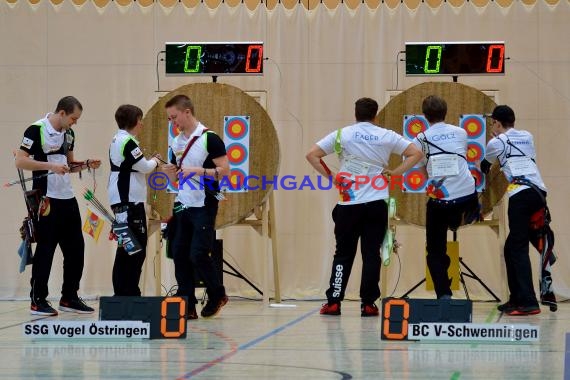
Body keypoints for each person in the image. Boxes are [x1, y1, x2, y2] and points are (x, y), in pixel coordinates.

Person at [306, 97, 423, 316]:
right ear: (375, 115)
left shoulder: (343, 134)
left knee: (342, 254)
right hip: (377, 203)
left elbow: (311, 154)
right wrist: (396, 173)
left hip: (349, 205)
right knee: (371, 254)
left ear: (355, 114)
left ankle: (333, 302)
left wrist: (332, 176)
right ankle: (368, 303)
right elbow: (416, 153)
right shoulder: (386, 135)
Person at [15, 96, 102, 316]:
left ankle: (69, 297)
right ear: (61, 113)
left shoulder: (69, 134)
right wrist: (50, 166)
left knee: (76, 250)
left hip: (67, 198)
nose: (75, 123)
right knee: (45, 250)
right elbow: (21, 161)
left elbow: (69, 165)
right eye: (73, 118)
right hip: (46, 199)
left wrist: (84, 164)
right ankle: (38, 300)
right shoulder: (36, 130)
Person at [481, 105, 556, 316]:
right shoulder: (527, 136)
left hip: (520, 195)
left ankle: (528, 302)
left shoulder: (495, 142)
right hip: (538, 193)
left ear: (496, 122)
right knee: (511, 246)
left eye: (493, 123)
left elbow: (485, 165)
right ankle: (516, 298)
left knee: (518, 247)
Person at [162, 94, 229, 319]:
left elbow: (224, 171)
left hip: (204, 203)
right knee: (179, 254)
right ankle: (187, 304)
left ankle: (217, 293)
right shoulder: (176, 142)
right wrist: (170, 174)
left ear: (187, 112)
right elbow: (175, 181)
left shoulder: (210, 138)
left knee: (198, 253)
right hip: (182, 203)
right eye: (170, 119)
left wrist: (199, 171)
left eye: (174, 117)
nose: (173, 123)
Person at [411, 95, 479, 300]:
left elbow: (422, 170)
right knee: (468, 199)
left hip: (441, 203)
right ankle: (473, 213)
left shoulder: (419, 139)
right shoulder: (461, 132)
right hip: (467, 198)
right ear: (445, 112)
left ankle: (444, 295)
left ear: (424, 116)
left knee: (434, 251)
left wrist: (432, 180)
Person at [108, 104, 162, 296]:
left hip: (124, 202)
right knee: (134, 249)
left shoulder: (119, 139)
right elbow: (146, 167)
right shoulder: (127, 142)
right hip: (129, 203)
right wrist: (156, 160)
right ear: (134, 121)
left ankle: (123, 293)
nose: (142, 123)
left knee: (127, 248)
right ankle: (128, 293)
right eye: (140, 119)